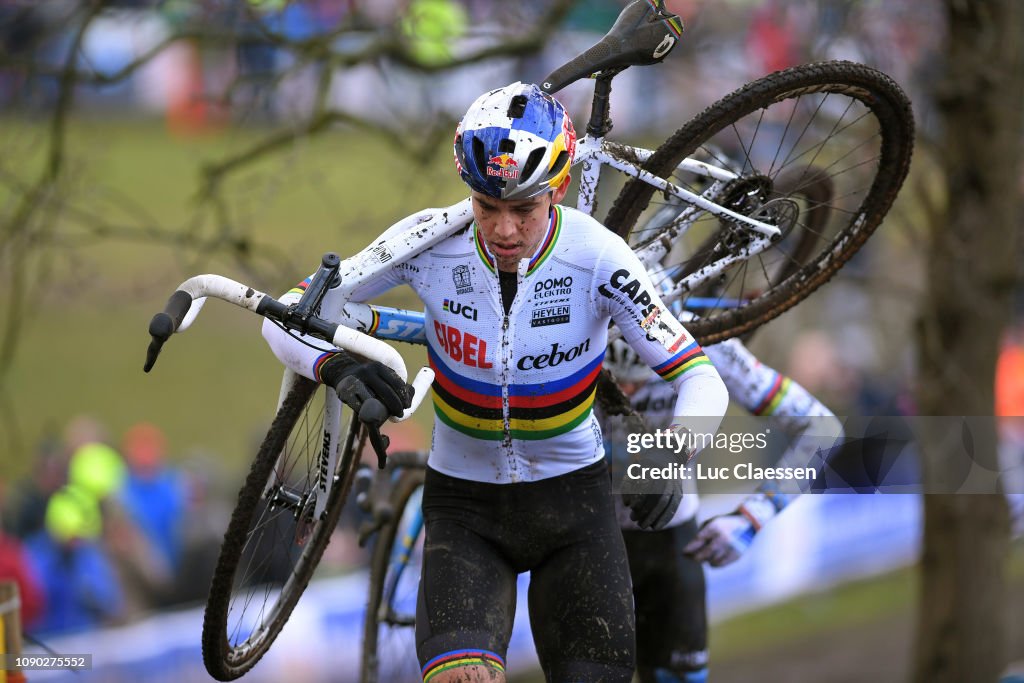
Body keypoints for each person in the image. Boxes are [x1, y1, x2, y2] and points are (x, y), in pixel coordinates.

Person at [263, 81, 729, 682]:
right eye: (486, 206)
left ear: (557, 189)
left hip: (577, 512)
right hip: (465, 511)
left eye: (524, 209)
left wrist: (673, 453)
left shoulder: (598, 256)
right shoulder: (428, 239)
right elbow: (285, 315)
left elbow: (700, 379)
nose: (504, 230)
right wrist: (336, 366)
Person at [601, 336, 844, 683]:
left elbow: (823, 429)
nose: (627, 391)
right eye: (612, 376)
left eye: (642, 378)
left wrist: (754, 516)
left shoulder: (707, 345)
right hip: (589, 542)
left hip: (671, 545)